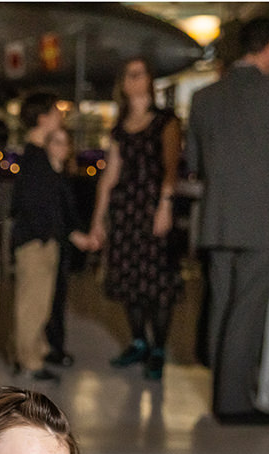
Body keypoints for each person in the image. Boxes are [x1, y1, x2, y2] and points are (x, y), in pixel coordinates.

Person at [186, 18, 269, 424]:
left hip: (218, 217)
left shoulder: (204, 97)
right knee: (248, 308)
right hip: (261, 219)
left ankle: (221, 392)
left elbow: (193, 162)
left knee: (223, 303)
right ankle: (234, 403)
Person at [90, 57, 183, 381]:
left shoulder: (166, 121)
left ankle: (158, 348)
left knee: (158, 282)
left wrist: (166, 204)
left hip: (153, 208)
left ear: (149, 81)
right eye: (128, 75)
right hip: (126, 211)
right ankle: (139, 342)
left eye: (139, 74)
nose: (133, 80)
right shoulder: (120, 126)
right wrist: (98, 220)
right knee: (129, 280)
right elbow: (109, 176)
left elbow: (172, 166)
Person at [10, 92, 95, 383]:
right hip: (36, 242)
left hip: (42, 241)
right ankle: (28, 361)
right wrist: (62, 235)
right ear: (43, 118)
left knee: (40, 303)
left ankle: (35, 354)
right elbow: (36, 207)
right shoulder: (34, 158)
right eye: (56, 112)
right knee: (32, 304)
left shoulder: (38, 156)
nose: (61, 116)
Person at [44, 126, 83, 368]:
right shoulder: (45, 177)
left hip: (62, 247)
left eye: (65, 143)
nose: (61, 148)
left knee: (57, 298)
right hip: (48, 244)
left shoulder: (66, 178)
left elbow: (70, 214)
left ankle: (55, 348)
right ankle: (46, 350)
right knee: (43, 300)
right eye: (56, 142)